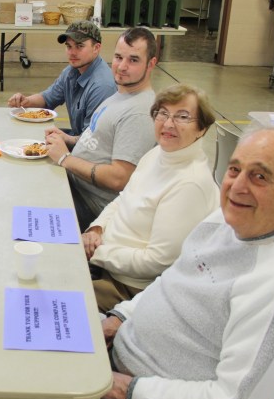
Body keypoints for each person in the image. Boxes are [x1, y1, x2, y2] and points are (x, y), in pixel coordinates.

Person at [13, 126, 274, 399]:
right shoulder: (226, 221)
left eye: (260, 177)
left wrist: (124, 389)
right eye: (234, 169)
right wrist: (118, 319)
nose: (237, 187)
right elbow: (171, 283)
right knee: (31, 349)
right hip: (130, 360)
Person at [83, 84, 220, 312]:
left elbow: (156, 261)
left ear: (202, 128)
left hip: (127, 287)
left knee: (52, 297)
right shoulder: (159, 153)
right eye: (162, 113)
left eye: (182, 116)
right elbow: (123, 198)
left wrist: (97, 252)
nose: (168, 124)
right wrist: (96, 228)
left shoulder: (189, 184)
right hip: (106, 261)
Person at [45, 27, 158, 231]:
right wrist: (69, 140)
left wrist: (65, 159)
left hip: (90, 204)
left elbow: (119, 178)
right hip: (75, 182)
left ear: (151, 64)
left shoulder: (138, 114)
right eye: (118, 57)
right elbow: (100, 140)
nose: (121, 67)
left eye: (133, 60)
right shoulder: (121, 94)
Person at [7, 20, 116, 136]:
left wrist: (62, 139)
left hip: (92, 148)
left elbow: (93, 141)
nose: (72, 52)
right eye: (69, 46)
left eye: (80, 46)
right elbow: (48, 98)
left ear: (96, 48)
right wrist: (26, 101)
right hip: (79, 137)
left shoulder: (102, 86)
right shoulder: (71, 71)